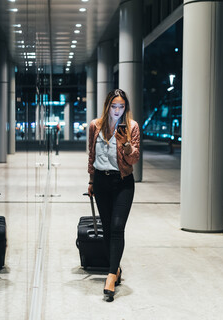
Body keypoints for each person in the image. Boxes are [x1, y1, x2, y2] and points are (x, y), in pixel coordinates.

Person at [87, 89, 140, 302]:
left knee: (117, 227)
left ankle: (110, 277)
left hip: (123, 182)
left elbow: (134, 158)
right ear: (107, 106)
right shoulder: (95, 126)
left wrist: (126, 144)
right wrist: (91, 180)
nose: (117, 110)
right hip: (101, 181)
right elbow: (92, 154)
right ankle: (115, 268)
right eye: (114, 106)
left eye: (121, 106)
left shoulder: (132, 126)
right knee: (107, 228)